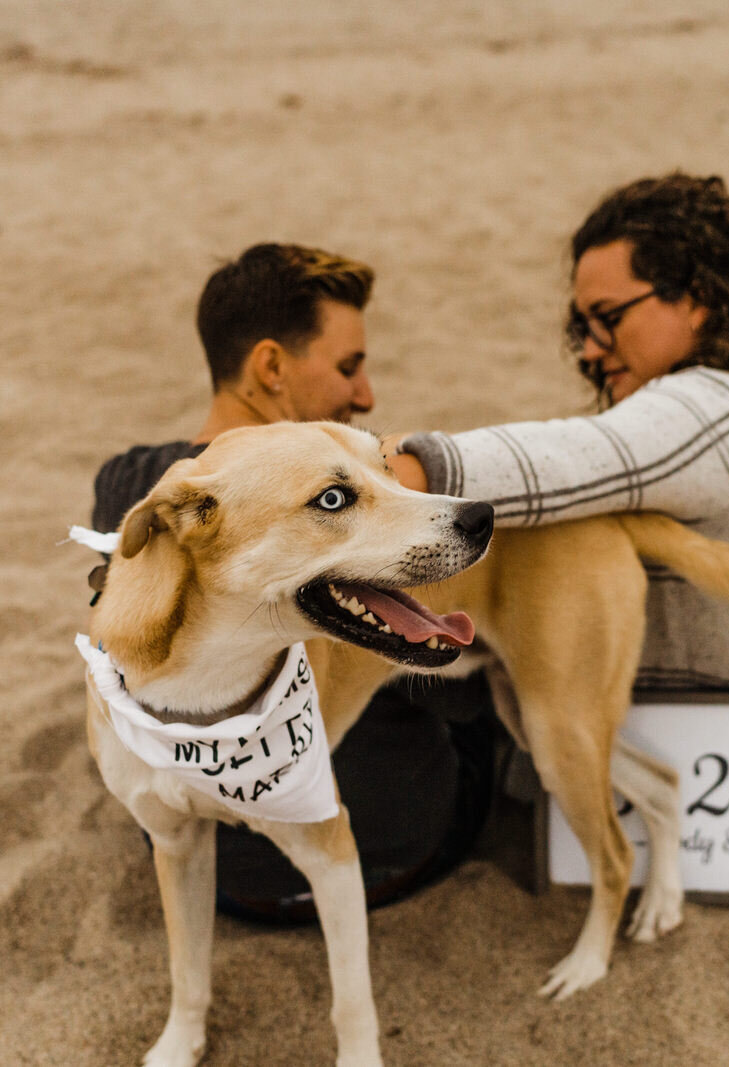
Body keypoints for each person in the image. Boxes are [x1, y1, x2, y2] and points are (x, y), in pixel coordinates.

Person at [91, 243, 496, 921]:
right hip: (387, 851)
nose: (364, 395)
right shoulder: (302, 528)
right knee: (475, 705)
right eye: (348, 367)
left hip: (218, 879)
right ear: (271, 366)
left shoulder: (127, 489)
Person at [390, 173, 729, 690]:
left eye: (609, 317)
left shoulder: (709, 413)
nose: (590, 350)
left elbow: (563, 461)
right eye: (582, 327)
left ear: (696, 298)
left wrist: (374, 471)